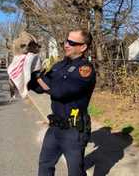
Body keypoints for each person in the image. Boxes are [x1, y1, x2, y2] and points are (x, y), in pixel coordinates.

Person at [28, 29, 96, 176]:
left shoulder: (85, 69)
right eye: (66, 41)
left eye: (71, 42)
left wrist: (39, 77)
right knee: (45, 164)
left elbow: (60, 92)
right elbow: (41, 87)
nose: (66, 45)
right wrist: (28, 78)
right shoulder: (59, 66)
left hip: (74, 129)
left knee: (75, 172)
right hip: (55, 127)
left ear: (83, 47)